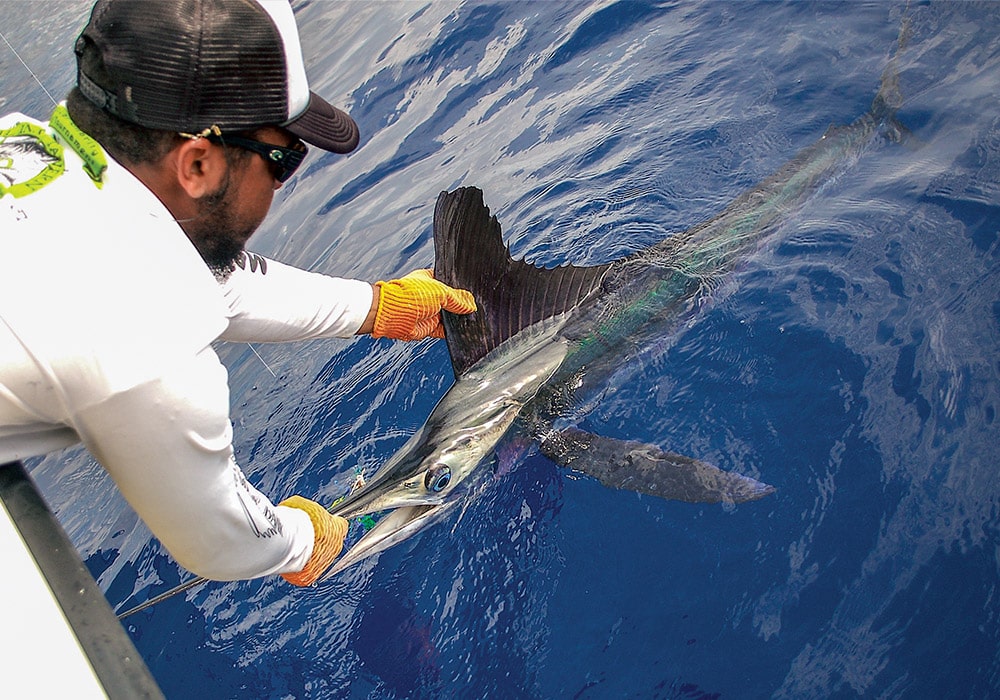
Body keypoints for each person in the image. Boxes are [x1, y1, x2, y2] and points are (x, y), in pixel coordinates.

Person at [0, 0, 476, 587]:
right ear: (196, 163)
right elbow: (221, 544)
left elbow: (190, 277)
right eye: (284, 161)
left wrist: (379, 307)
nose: (281, 184)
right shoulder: (140, 347)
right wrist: (304, 541)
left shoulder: (35, 159)